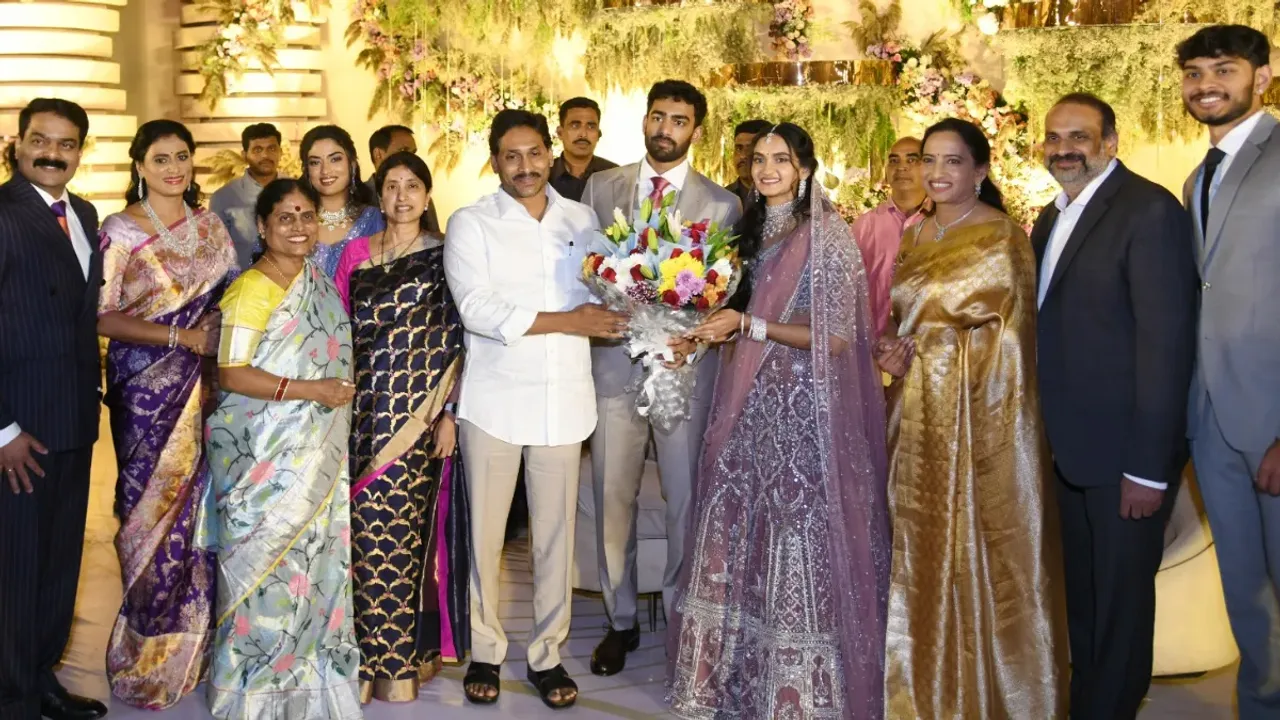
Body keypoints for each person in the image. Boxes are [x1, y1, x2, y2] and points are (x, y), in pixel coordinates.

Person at [670, 122, 891, 719]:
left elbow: (837, 339)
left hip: (801, 414)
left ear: (805, 169)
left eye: (782, 159)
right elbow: (731, 312)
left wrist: (749, 326)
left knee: (794, 530)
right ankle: (733, 681)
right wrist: (697, 335)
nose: (767, 169)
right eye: (760, 159)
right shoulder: (746, 231)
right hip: (746, 406)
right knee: (739, 525)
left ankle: (800, 692)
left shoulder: (827, 236)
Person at [876, 118, 1068, 719]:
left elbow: (1013, 345)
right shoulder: (916, 233)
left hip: (977, 422)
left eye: (952, 161)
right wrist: (890, 351)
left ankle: (983, 695)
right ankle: (917, 690)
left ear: (980, 170)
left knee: (978, 555)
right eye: (928, 160)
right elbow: (903, 321)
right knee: (914, 550)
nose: (935, 173)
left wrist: (933, 352)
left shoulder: (1002, 238)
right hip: (912, 420)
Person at [443, 109, 629, 709]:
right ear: (495, 162)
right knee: (486, 536)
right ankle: (485, 649)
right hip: (494, 401)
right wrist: (569, 322)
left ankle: (547, 655)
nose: (525, 166)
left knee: (556, 537)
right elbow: (477, 309)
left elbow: (607, 293)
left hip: (564, 401)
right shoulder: (472, 222)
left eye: (533, 153)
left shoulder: (582, 219)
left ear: (550, 154)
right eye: (511, 156)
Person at [1032, 94, 1198, 719]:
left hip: (1125, 456)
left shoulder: (1148, 210)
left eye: (1079, 136)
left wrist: (1149, 468)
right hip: (1065, 450)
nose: (1064, 149)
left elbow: (1167, 348)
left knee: (1122, 610)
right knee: (1083, 602)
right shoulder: (1049, 218)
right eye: (1054, 137)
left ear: (1111, 142)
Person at [579, 79, 742, 677]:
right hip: (616, 364)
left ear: (695, 129)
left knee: (683, 498)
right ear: (644, 120)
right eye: (657, 116)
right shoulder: (602, 187)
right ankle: (619, 620)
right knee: (611, 497)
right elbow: (588, 270)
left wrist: (690, 343)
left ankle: (681, 618)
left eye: (678, 120)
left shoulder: (723, 203)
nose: (665, 128)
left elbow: (724, 294)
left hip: (683, 370)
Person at [204, 179, 360, 720]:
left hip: (316, 453)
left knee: (315, 566)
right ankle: (252, 691)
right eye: (285, 218)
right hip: (261, 458)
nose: (298, 227)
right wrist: (311, 390)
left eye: (306, 215)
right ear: (263, 226)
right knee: (265, 575)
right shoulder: (252, 289)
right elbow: (231, 373)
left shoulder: (318, 281)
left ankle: (310, 678)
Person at [96, 119, 238, 710]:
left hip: (207, 388)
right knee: (147, 518)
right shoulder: (121, 230)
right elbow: (102, 315)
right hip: (145, 393)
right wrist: (182, 337)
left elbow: (230, 297)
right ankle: (146, 656)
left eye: (181, 156)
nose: (173, 168)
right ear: (140, 165)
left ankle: (196, 650)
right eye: (160, 159)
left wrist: (214, 335)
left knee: (202, 516)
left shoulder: (211, 226)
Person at [333, 152, 470, 704]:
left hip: (421, 421)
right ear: (379, 194)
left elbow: (462, 337)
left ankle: (401, 661)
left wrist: (450, 412)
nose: (402, 196)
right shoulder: (356, 255)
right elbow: (337, 332)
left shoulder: (446, 255)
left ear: (427, 194)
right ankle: (362, 660)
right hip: (361, 416)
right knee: (361, 539)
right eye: (391, 186)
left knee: (408, 540)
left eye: (413, 186)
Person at [1179, 24, 1280, 719]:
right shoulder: (1198, 177)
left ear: (1262, 77)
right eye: (1194, 73)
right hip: (1211, 417)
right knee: (1246, 589)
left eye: (1224, 69)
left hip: (1271, 416)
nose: (1206, 84)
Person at [0, 98, 107, 720]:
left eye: (66, 144)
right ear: (17, 143)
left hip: (72, 419)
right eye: (40, 140)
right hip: (18, 429)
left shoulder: (85, 214)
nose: (51, 154)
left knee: (59, 564)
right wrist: (3, 429)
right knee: (14, 569)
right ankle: (10, 697)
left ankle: (41, 680)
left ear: (79, 152)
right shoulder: (3, 214)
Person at [852, 136, 926, 338]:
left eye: (912, 160)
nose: (901, 167)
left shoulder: (942, 222)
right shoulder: (865, 225)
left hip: (927, 345)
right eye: (894, 161)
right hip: (872, 342)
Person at [299, 125, 383, 277]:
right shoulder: (296, 222)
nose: (325, 170)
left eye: (335, 159)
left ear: (352, 164)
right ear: (307, 171)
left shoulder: (375, 221)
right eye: (315, 162)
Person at [209, 123, 281, 269]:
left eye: (272, 148)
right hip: (243, 279)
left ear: (280, 152)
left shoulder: (297, 191)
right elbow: (216, 252)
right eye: (257, 150)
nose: (265, 155)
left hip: (293, 279)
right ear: (244, 155)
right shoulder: (223, 197)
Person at [366, 125, 440, 233]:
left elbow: (434, 236)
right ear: (378, 154)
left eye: (413, 153)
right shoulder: (359, 196)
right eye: (403, 151)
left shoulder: (420, 196)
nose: (410, 158)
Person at [549, 97, 617, 202]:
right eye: (575, 126)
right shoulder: (545, 175)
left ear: (598, 134)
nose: (583, 134)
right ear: (560, 133)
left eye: (591, 127)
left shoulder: (614, 176)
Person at [724, 118, 771, 205]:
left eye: (750, 149)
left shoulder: (786, 198)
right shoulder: (721, 199)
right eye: (739, 149)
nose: (743, 156)